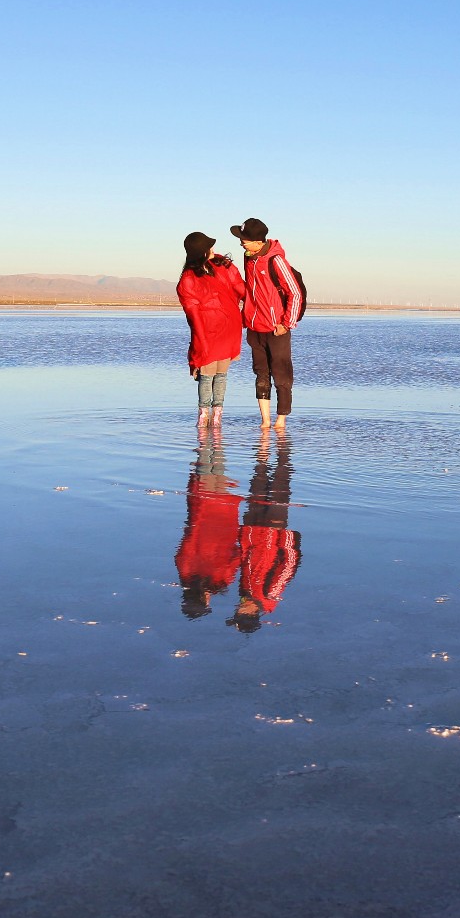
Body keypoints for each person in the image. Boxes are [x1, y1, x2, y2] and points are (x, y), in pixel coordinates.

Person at [231, 217, 305, 433]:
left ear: (256, 241)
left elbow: (295, 293)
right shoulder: (249, 258)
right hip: (255, 327)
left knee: (281, 375)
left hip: (276, 329)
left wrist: (287, 323)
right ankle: (265, 421)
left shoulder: (276, 261)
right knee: (261, 374)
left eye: (244, 239)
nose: (241, 243)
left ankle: (281, 420)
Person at [175, 231, 245, 431]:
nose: (213, 249)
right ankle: (217, 417)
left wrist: (199, 344)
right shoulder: (223, 266)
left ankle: (204, 416)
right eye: (209, 247)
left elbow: (193, 315)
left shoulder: (187, 279)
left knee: (207, 375)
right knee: (220, 375)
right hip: (228, 328)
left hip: (209, 332)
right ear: (203, 252)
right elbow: (242, 290)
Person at [231, 437, 301, 633]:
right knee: (280, 486)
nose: (238, 609)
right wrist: (287, 537)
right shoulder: (270, 595)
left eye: (237, 612)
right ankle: (283, 451)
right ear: (252, 613)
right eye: (240, 613)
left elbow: (245, 562)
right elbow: (288, 566)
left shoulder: (244, 593)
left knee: (257, 484)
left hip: (250, 532)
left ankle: (262, 452)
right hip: (273, 533)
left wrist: (241, 538)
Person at [175, 437, 241, 619]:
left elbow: (237, 558)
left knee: (218, 470)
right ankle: (208, 434)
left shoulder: (221, 581)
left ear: (205, 600)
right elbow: (186, 544)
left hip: (223, 523)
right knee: (206, 468)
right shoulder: (185, 571)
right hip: (203, 517)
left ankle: (214, 437)